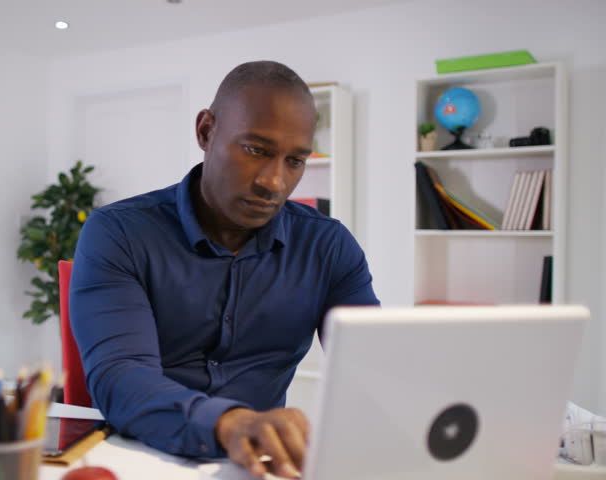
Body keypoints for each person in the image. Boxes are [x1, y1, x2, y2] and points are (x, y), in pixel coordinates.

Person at [69, 60, 379, 478]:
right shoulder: (119, 234)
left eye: (295, 161)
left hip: (260, 466)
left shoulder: (328, 246)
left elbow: (374, 369)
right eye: (256, 150)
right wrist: (230, 423)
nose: (274, 182)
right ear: (205, 131)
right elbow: (120, 377)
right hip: (136, 458)